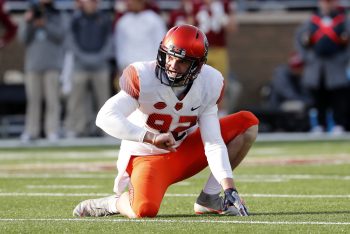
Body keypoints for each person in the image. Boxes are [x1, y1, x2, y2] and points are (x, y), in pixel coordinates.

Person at [72, 25, 259, 218]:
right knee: (144, 210)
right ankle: (114, 203)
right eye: (169, 56)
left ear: (198, 65)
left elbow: (213, 141)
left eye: (182, 61)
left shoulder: (210, 82)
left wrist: (229, 187)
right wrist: (150, 137)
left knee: (247, 123)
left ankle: (210, 198)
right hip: (147, 157)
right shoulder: (143, 76)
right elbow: (105, 116)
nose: (172, 65)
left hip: (184, 149)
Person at [295, 0, 350, 134]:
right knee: (318, 98)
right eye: (325, 2)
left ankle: (339, 123)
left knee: (338, 97)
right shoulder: (311, 20)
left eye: (330, 2)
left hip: (335, 64)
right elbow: (300, 40)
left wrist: (343, 58)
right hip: (316, 66)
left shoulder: (343, 21)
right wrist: (307, 57)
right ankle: (319, 124)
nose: (327, 5)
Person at [64, 0, 113, 137]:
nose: (91, 4)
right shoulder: (75, 18)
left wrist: (100, 57)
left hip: (100, 65)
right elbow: (71, 40)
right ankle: (75, 128)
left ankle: (107, 129)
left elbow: (109, 40)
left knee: (103, 99)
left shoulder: (104, 18)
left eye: (94, 2)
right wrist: (83, 57)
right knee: (76, 99)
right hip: (80, 64)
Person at [18, 0, 65, 142]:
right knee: (33, 101)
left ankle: (53, 131)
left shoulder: (57, 14)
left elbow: (61, 35)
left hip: (52, 64)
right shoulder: (30, 14)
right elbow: (23, 38)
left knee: (53, 100)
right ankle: (31, 131)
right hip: (33, 65)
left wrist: (45, 24)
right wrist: (29, 22)